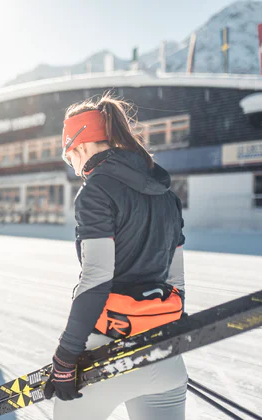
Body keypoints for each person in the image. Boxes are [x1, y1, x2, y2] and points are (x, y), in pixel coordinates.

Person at [43, 93, 187, 420]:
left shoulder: (96, 190)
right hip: (164, 356)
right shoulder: (166, 193)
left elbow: (96, 279)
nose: (75, 168)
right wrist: (172, 331)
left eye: (70, 159)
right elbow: (176, 280)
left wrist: (66, 357)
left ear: (79, 146)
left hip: (106, 355)